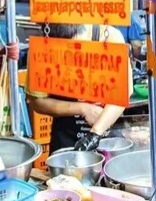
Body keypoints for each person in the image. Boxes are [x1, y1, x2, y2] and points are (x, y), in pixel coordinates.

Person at [25, 23, 131, 151]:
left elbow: (123, 93)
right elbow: (37, 102)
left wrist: (95, 133)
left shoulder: (109, 37)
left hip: (107, 134)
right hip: (65, 134)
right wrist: (83, 109)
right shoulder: (41, 48)